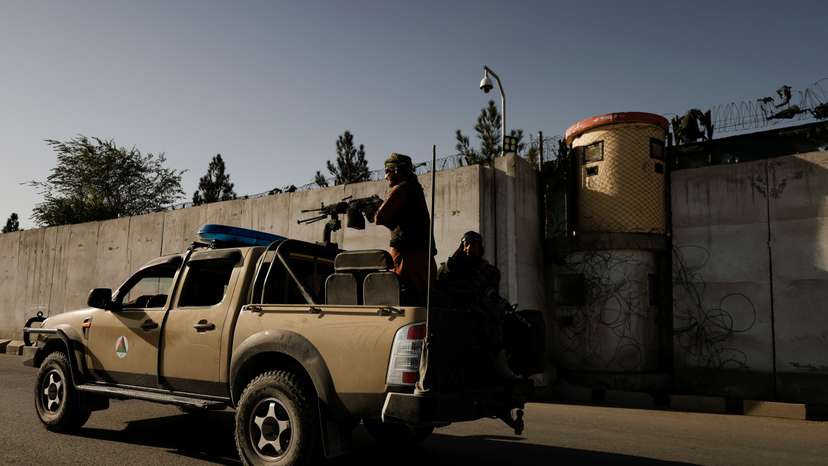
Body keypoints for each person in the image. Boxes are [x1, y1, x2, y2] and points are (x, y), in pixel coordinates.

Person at [438, 231, 517, 379]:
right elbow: (443, 282)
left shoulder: (487, 270)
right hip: (455, 313)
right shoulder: (453, 267)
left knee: (499, 326)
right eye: (466, 244)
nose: (469, 248)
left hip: (479, 312)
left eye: (474, 245)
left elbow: (488, 293)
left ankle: (500, 366)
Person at [374, 153, 437, 305]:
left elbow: (379, 217)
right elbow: (401, 220)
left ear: (397, 170)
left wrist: (371, 210)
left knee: (402, 299)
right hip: (423, 258)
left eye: (387, 171)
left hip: (407, 259)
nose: (385, 176)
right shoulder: (414, 189)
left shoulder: (402, 189)